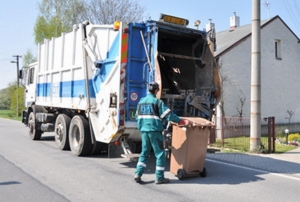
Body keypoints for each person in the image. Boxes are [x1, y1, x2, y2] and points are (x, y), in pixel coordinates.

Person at [134, 81, 192, 184]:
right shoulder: (158, 102)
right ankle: (159, 178)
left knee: (144, 153)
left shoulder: (141, 102)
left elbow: (136, 117)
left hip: (144, 131)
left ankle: (138, 174)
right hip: (155, 131)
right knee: (160, 154)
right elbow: (169, 115)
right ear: (156, 90)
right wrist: (182, 121)